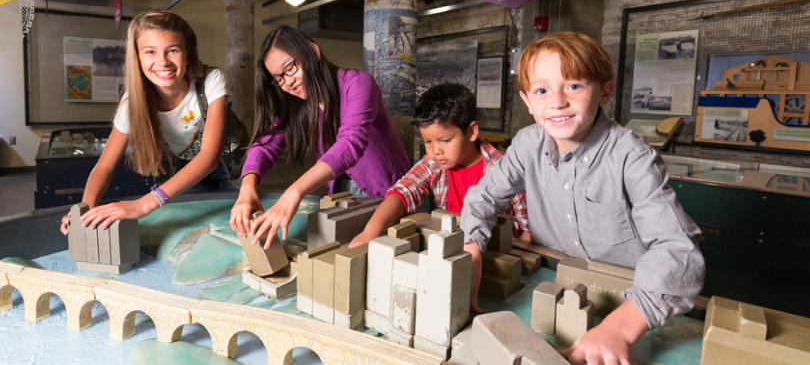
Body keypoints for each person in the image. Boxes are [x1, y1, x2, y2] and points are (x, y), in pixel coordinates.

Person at [460, 32, 704, 365]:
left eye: (574, 86)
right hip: (553, 286)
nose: (557, 102)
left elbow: (679, 251)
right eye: (542, 91)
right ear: (527, 101)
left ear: (605, 90)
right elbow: (482, 198)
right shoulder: (527, 144)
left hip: (630, 304)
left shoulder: (632, 157)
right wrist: (471, 250)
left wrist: (621, 328)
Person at [231, 25, 411, 248]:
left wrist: (293, 192)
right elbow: (264, 145)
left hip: (389, 196)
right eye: (278, 79)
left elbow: (351, 142)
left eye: (290, 68)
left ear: (313, 53)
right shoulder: (295, 106)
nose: (287, 82)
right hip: (342, 199)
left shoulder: (359, 84)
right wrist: (247, 187)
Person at [60, 10, 234, 235]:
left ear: (188, 54)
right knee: (196, 228)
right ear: (138, 58)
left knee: (237, 222)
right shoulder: (132, 102)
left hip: (232, 164)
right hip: (187, 167)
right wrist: (85, 208)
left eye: (173, 50)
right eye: (150, 52)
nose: (162, 61)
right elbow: (105, 165)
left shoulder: (211, 80)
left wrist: (143, 204)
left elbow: (210, 156)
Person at [348, 83, 528, 248]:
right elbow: (404, 191)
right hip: (448, 249)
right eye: (427, 141)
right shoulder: (433, 164)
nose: (435, 151)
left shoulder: (507, 169)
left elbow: (526, 230)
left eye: (445, 140)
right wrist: (370, 232)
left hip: (493, 253)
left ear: (471, 131)